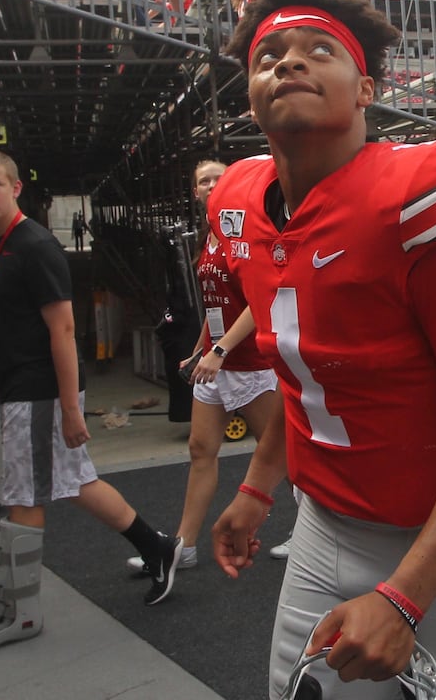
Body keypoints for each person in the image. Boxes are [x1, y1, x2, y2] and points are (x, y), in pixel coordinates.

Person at [209, 0, 436, 699]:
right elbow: (302, 372)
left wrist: (405, 595)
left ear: (365, 90)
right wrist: (256, 488)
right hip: (320, 529)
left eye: (317, 50)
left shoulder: (416, 194)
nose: (288, 63)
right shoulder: (239, 203)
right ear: (249, 95)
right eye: (268, 57)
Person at [0, 152, 181, 655]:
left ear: (16, 188)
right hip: (19, 388)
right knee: (76, 482)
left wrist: (71, 408)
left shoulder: (35, 246)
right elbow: (1, 322)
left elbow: (64, 330)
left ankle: (17, 612)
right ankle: (158, 550)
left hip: (41, 392)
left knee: (23, 499)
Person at [126, 160, 280, 577]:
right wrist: (201, 349)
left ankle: (318, 532)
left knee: (282, 448)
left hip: (249, 363)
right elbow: (216, 304)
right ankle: (184, 545)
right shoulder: (209, 236)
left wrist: (222, 351)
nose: (211, 185)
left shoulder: (242, 231)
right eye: (203, 181)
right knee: (200, 450)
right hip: (217, 360)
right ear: (194, 193)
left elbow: (258, 300)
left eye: (219, 178)